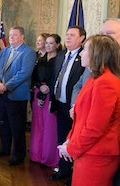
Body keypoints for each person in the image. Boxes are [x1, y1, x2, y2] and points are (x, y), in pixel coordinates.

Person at [57, 34, 120, 186]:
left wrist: (71, 148)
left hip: (97, 154)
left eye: (85, 49)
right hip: (88, 150)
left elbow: (95, 128)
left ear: (96, 54)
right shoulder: (95, 78)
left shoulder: (105, 83)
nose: (80, 53)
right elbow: (83, 113)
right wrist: (70, 139)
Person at [0, 26, 36, 166]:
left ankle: (18, 154)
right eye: (10, 35)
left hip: (17, 96)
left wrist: (6, 86)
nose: (11, 38)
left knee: (17, 126)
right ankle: (4, 148)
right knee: (3, 123)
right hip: (2, 93)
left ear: (22, 37)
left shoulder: (28, 52)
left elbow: (24, 73)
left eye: (15, 35)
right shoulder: (5, 50)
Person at [49, 26, 86, 181]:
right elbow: (55, 78)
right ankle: (63, 170)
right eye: (67, 34)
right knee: (62, 138)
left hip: (75, 108)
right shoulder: (61, 55)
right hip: (60, 104)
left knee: (75, 140)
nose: (68, 37)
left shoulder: (84, 57)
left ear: (82, 38)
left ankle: (74, 174)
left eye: (72, 35)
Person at [30, 34, 62, 167]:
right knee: (38, 125)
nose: (48, 45)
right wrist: (39, 86)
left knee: (50, 127)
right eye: (46, 43)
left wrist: (48, 88)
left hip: (52, 95)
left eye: (51, 43)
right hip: (39, 93)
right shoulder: (41, 59)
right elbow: (33, 76)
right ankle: (36, 155)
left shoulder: (60, 60)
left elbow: (58, 78)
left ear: (57, 45)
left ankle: (48, 158)